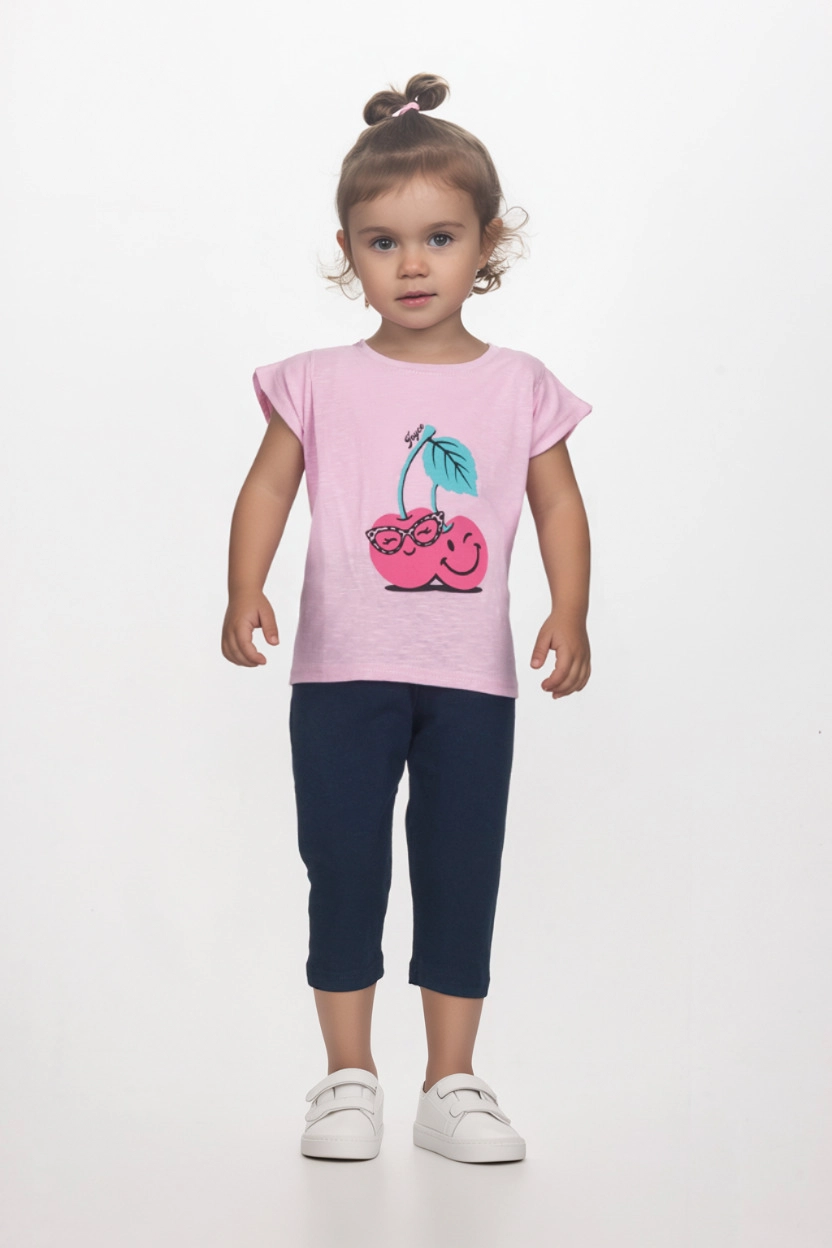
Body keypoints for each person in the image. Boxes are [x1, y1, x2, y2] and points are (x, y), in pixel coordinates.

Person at [221, 73, 593, 1165]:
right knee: (344, 868)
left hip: (472, 680)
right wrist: (244, 586)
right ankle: (347, 1078)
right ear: (349, 252)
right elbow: (268, 485)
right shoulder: (315, 381)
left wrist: (570, 608)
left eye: (440, 237)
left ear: (488, 242)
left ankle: (450, 1083)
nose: (414, 264)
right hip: (341, 674)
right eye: (384, 243)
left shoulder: (520, 384)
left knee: (459, 870)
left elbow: (557, 502)